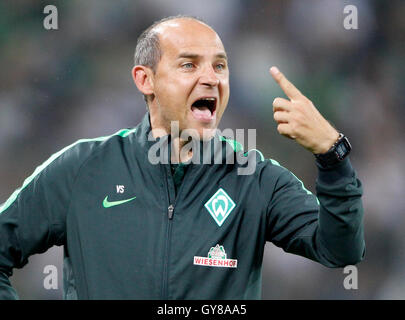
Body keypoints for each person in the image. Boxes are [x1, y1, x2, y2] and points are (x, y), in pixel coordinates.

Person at [0, 15, 364, 300]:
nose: (210, 78)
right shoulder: (83, 167)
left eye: (219, 66)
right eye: (189, 65)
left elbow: (340, 249)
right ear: (146, 80)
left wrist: (332, 154)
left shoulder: (256, 178)